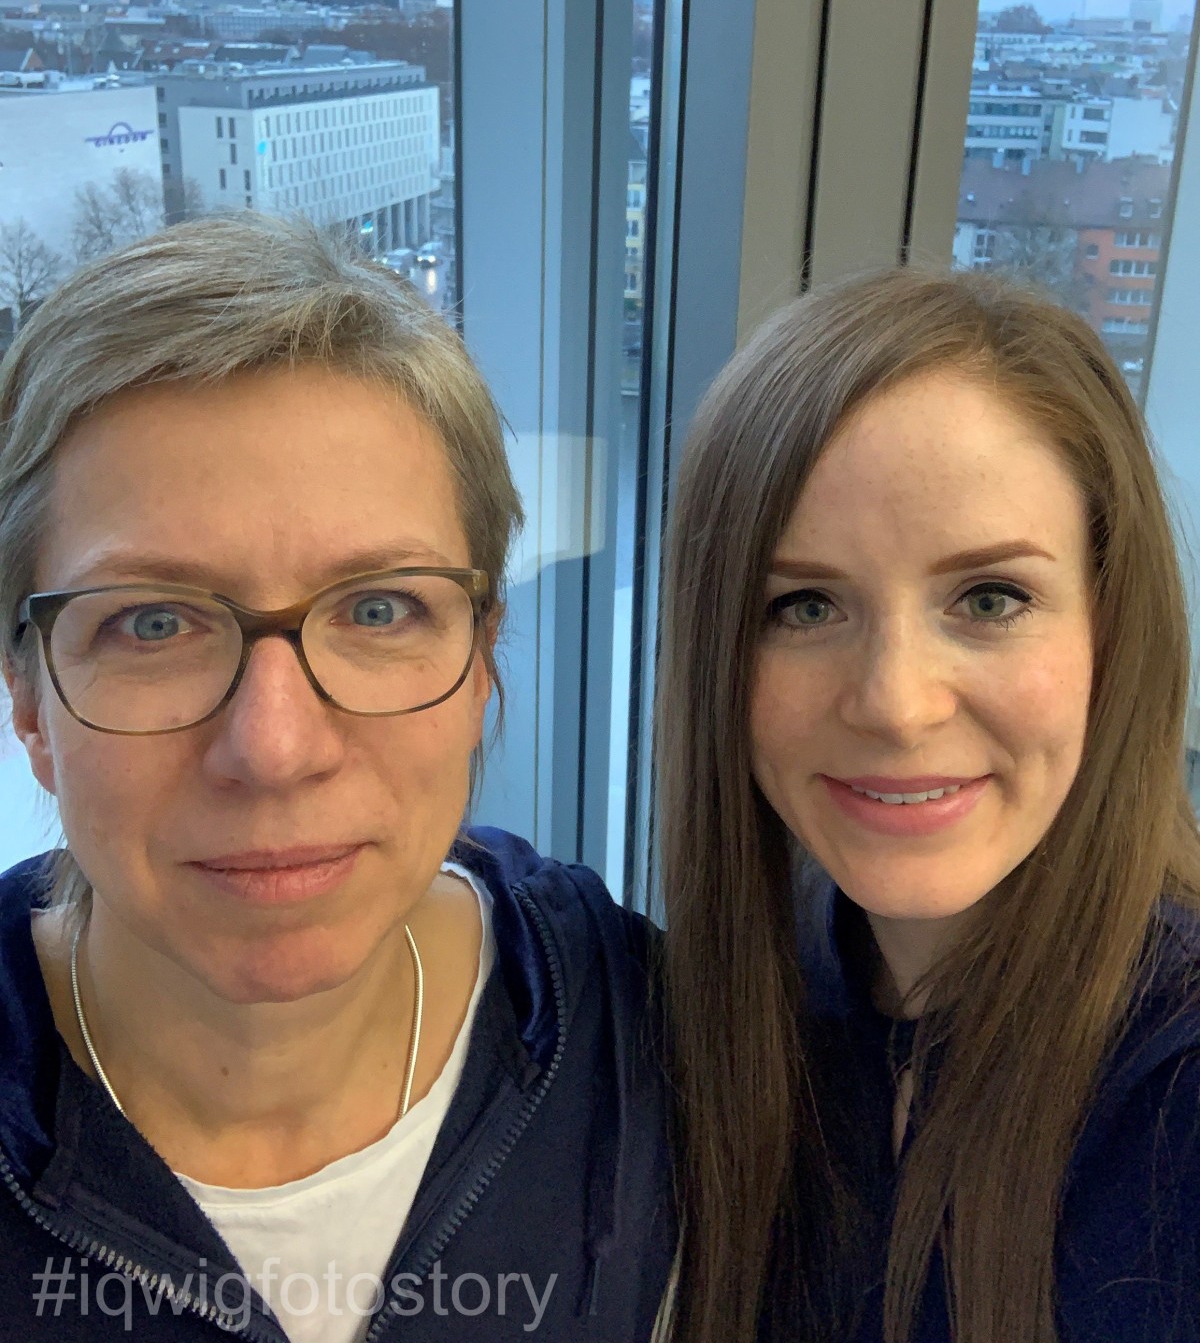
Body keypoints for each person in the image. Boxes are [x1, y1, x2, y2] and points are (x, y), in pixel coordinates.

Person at [0, 215, 674, 1341]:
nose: (274, 748)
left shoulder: (643, 1040)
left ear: (480, 667)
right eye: (153, 622)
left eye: (378, 609)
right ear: (29, 699)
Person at [656, 266, 1200, 1343]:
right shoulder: (721, 1007)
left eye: (990, 598)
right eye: (805, 605)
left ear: (1111, 628)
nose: (897, 705)